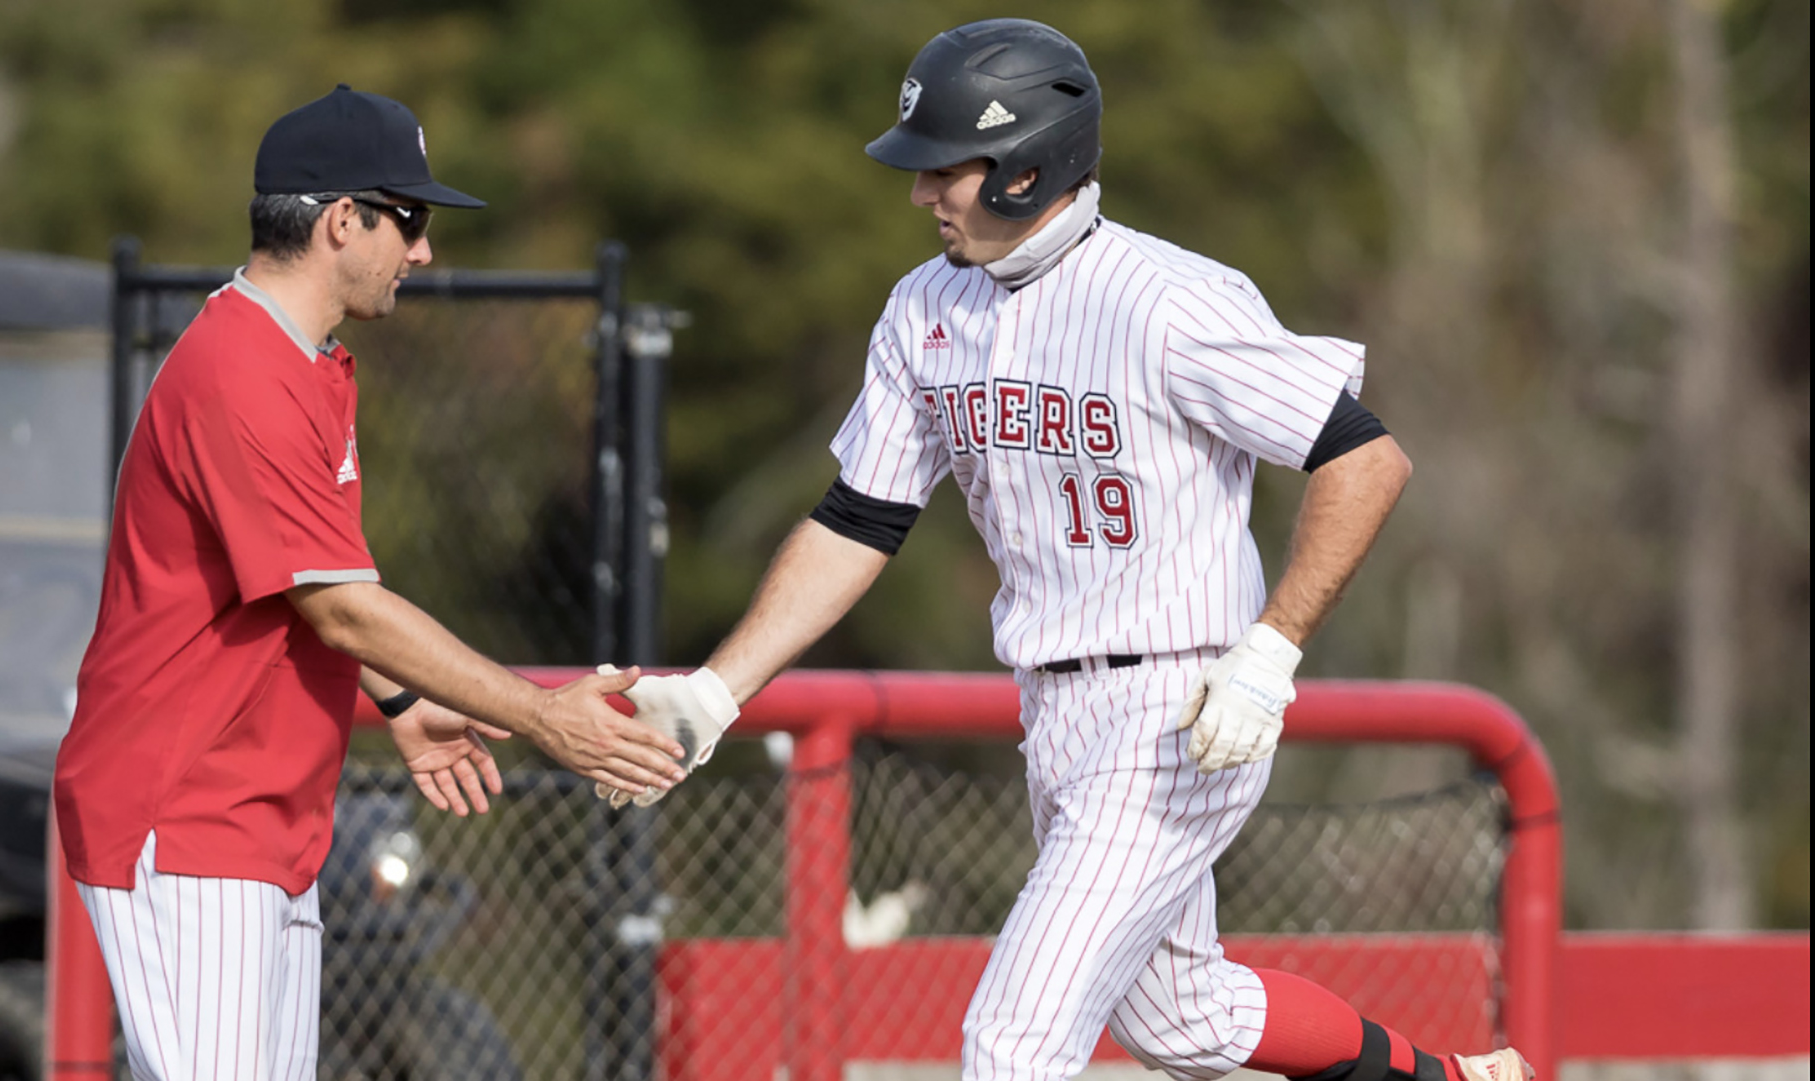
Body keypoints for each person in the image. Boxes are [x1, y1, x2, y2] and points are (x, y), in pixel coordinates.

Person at [601, 20, 1531, 1081]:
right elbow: (861, 518)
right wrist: (719, 690)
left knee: (1013, 1040)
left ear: (1027, 166)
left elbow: (1366, 460)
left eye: (944, 168)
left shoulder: (1171, 299)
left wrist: (1271, 653)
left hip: (1182, 709)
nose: (920, 194)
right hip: (1056, 710)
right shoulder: (923, 307)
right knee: (1184, 1018)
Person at [53, 84, 688, 1081]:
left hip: (258, 816)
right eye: (412, 217)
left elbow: (312, 596)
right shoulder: (240, 371)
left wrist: (402, 699)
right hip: (183, 813)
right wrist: (541, 716)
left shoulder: (305, 362)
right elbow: (341, 603)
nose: (424, 250)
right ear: (342, 220)